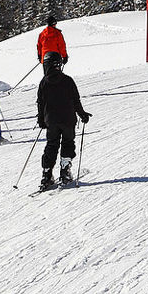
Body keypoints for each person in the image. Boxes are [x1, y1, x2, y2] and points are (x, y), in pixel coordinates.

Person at [36, 51, 91, 190]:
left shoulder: (44, 82)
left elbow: (40, 104)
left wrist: (41, 119)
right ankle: (65, 171)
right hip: (68, 120)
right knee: (67, 143)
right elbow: (75, 100)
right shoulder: (67, 80)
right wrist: (82, 114)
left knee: (51, 145)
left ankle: (46, 174)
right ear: (59, 65)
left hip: (51, 121)